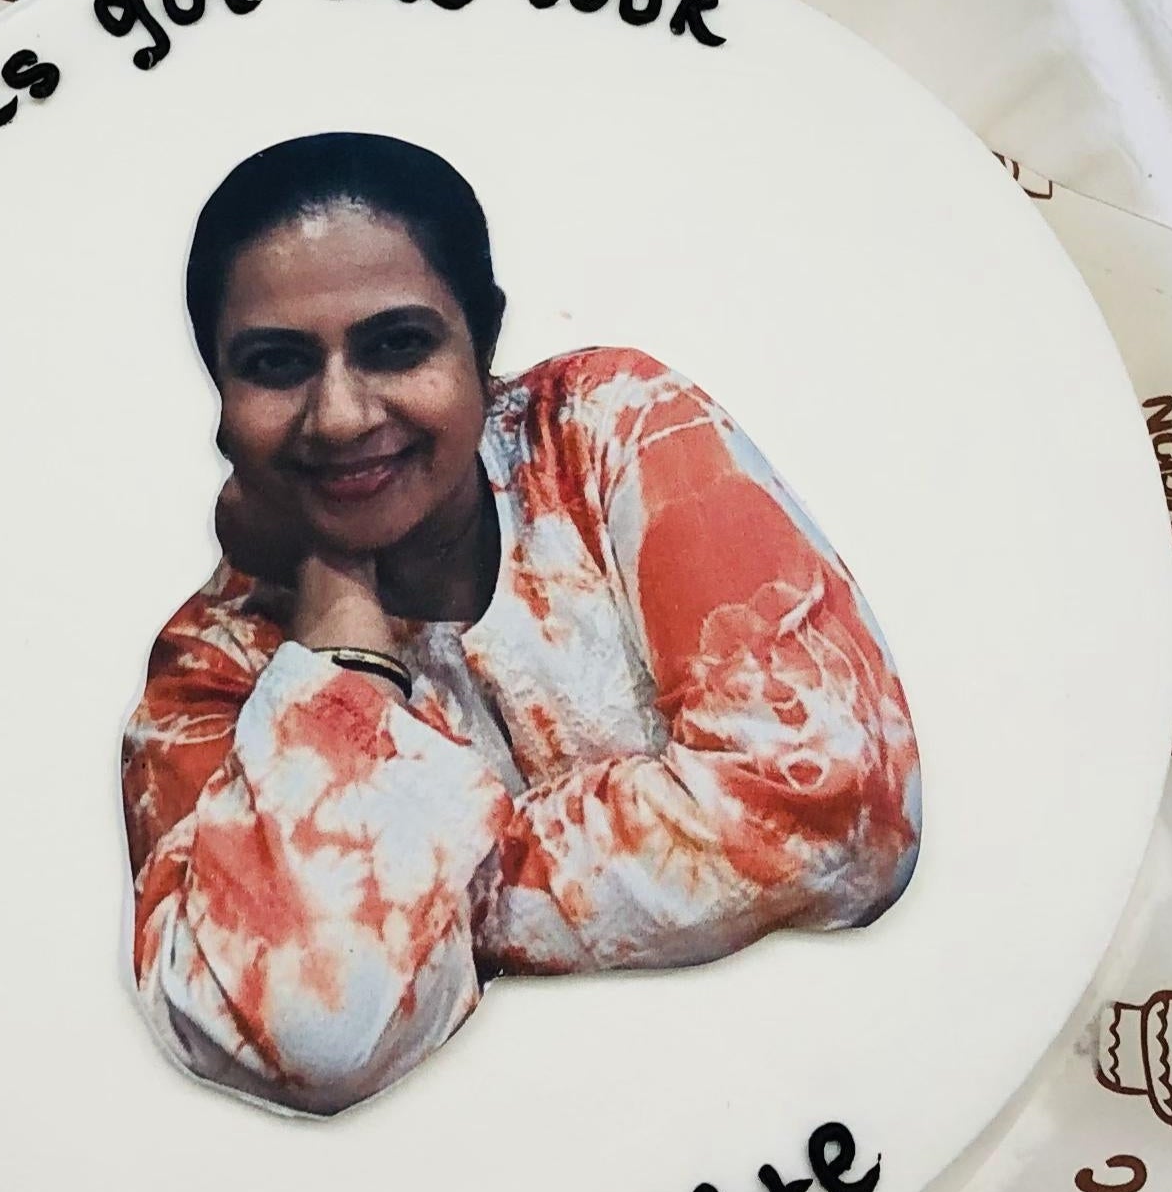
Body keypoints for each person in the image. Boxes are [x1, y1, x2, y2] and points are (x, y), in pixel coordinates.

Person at [121, 132, 922, 1117]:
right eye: (277, 365)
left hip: (838, 1093)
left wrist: (421, 890)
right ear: (219, 395)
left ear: (482, 341)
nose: (338, 416)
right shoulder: (211, 674)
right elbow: (302, 1035)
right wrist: (340, 632)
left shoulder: (604, 430)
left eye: (397, 344)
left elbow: (839, 809)